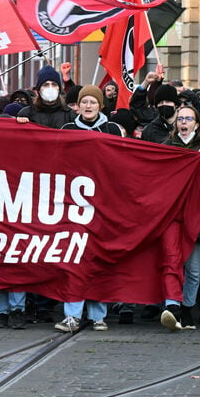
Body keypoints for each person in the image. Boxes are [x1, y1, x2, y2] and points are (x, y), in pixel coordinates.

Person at [54, 85, 120, 333]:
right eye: (85, 102)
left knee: (99, 260)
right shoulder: (68, 130)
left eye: (93, 102)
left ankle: (98, 315)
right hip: (74, 206)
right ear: (78, 106)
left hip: (103, 206)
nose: (89, 106)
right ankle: (72, 314)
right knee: (73, 260)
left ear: (100, 105)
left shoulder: (112, 129)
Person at [159, 104, 200, 332]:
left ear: (196, 124)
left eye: (189, 118)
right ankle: (173, 307)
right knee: (172, 259)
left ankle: (188, 309)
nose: (184, 122)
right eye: (180, 118)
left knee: (194, 267)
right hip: (171, 214)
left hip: (197, 216)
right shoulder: (167, 146)